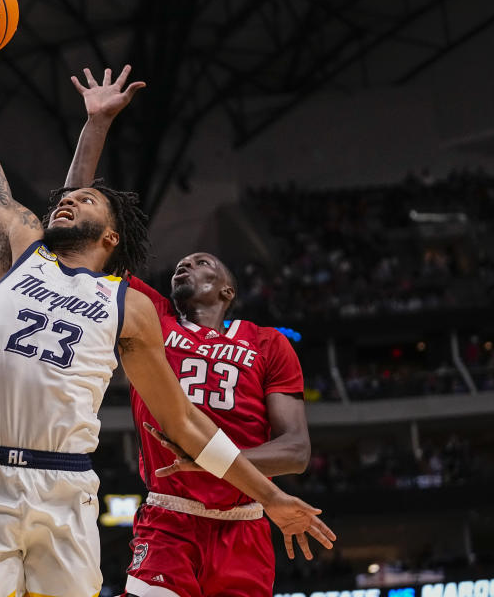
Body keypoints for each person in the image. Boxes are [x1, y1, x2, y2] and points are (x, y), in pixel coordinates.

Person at [0, 55, 335, 597]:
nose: (70, 199)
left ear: (111, 239)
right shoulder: (17, 245)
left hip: (66, 484)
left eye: (86, 200)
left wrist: (269, 496)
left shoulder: (130, 305)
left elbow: (185, 423)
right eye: (68, 199)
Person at [65, 65, 318, 597]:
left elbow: (295, 451)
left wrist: (209, 457)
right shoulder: (149, 315)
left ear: (226, 290)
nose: (186, 264)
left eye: (202, 262)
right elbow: (78, 237)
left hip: (246, 521)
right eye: (181, 262)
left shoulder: (269, 343)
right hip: (169, 518)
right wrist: (96, 127)